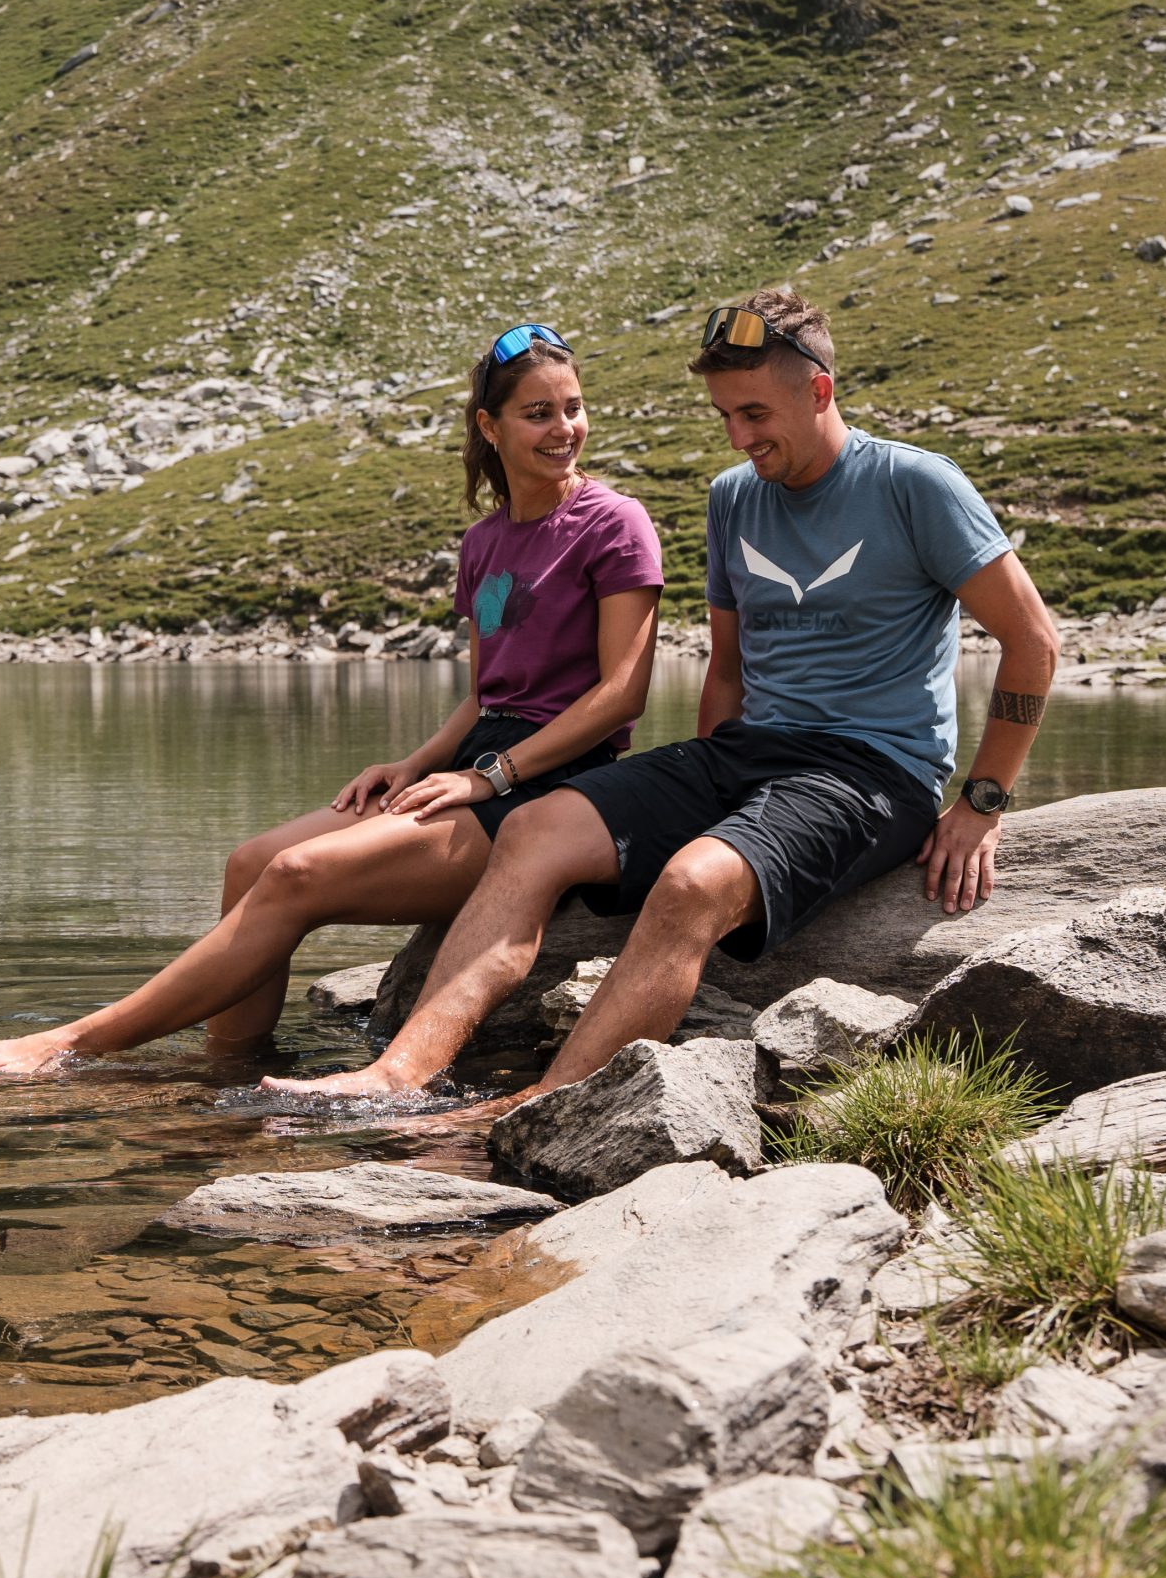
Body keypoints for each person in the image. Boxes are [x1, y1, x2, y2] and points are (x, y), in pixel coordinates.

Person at [265, 284, 1057, 1104]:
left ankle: (537, 1108)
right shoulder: (733, 497)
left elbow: (1032, 642)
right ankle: (392, 1076)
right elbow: (726, 667)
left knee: (691, 884)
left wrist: (983, 801)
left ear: (819, 390)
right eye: (724, 417)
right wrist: (706, 783)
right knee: (534, 826)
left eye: (755, 414)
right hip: (746, 754)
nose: (739, 437)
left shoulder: (914, 484)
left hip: (871, 772)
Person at [0, 322, 663, 1075]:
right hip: (474, 764)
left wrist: (488, 777)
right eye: (539, 413)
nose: (565, 430)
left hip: (547, 791)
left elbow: (621, 694)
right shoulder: (484, 542)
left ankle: (76, 1042)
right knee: (249, 862)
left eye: (574, 408)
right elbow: (486, 694)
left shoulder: (614, 524)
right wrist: (413, 762)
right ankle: (226, 1073)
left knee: (299, 876)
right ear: (490, 427)